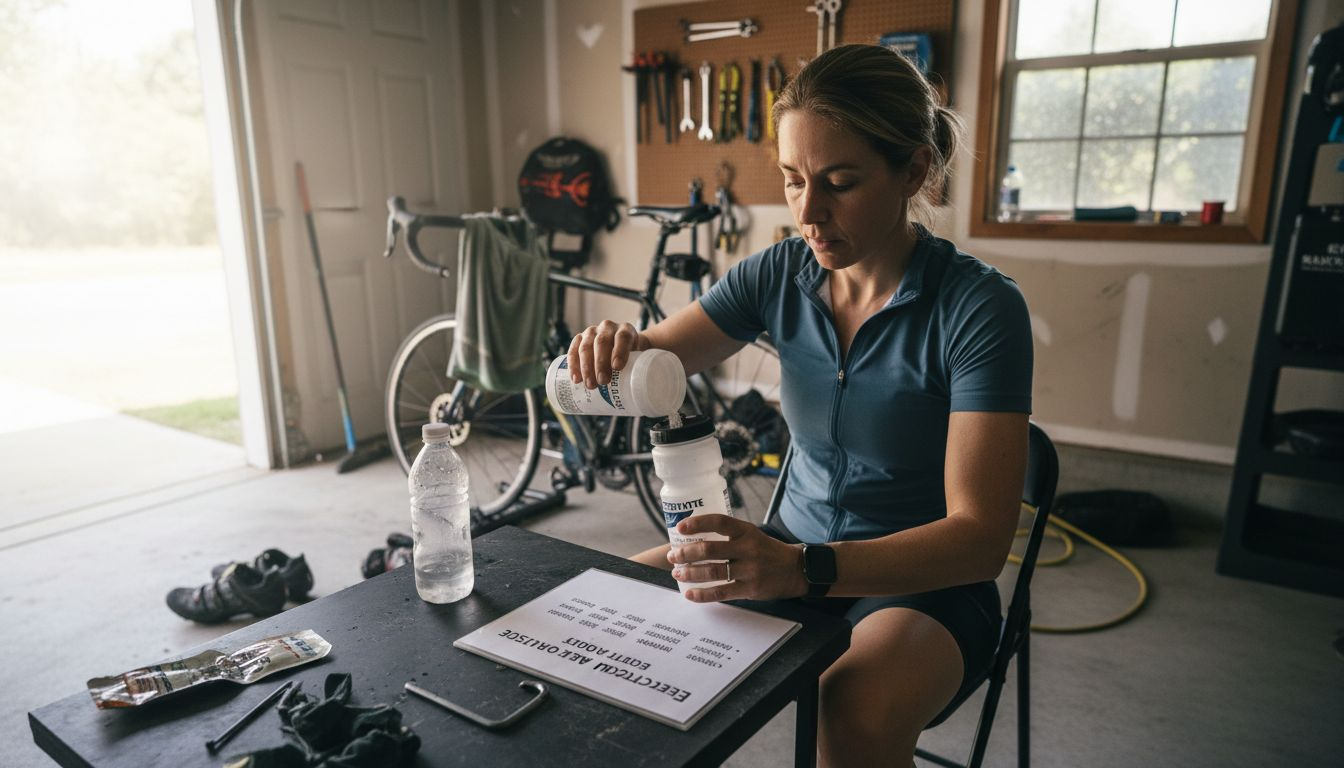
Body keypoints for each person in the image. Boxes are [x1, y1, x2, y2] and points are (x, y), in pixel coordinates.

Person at [566, 44, 1033, 767]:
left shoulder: (978, 308)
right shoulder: (780, 273)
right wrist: (614, 348)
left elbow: (979, 538)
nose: (808, 212)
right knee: (593, 616)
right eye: (792, 181)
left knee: (850, 715)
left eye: (840, 182)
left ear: (912, 171)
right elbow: (654, 360)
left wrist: (802, 569)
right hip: (788, 553)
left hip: (927, 587)